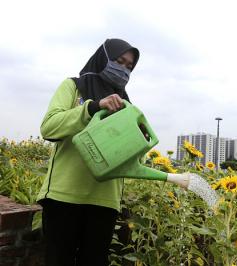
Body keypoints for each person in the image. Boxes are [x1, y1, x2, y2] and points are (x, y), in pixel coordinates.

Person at [36, 38, 140, 266]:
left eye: (129, 67)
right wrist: (92, 107)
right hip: (64, 196)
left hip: (105, 201)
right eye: (119, 61)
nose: (123, 69)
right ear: (103, 58)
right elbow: (49, 127)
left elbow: (132, 156)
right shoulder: (73, 87)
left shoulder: (127, 106)